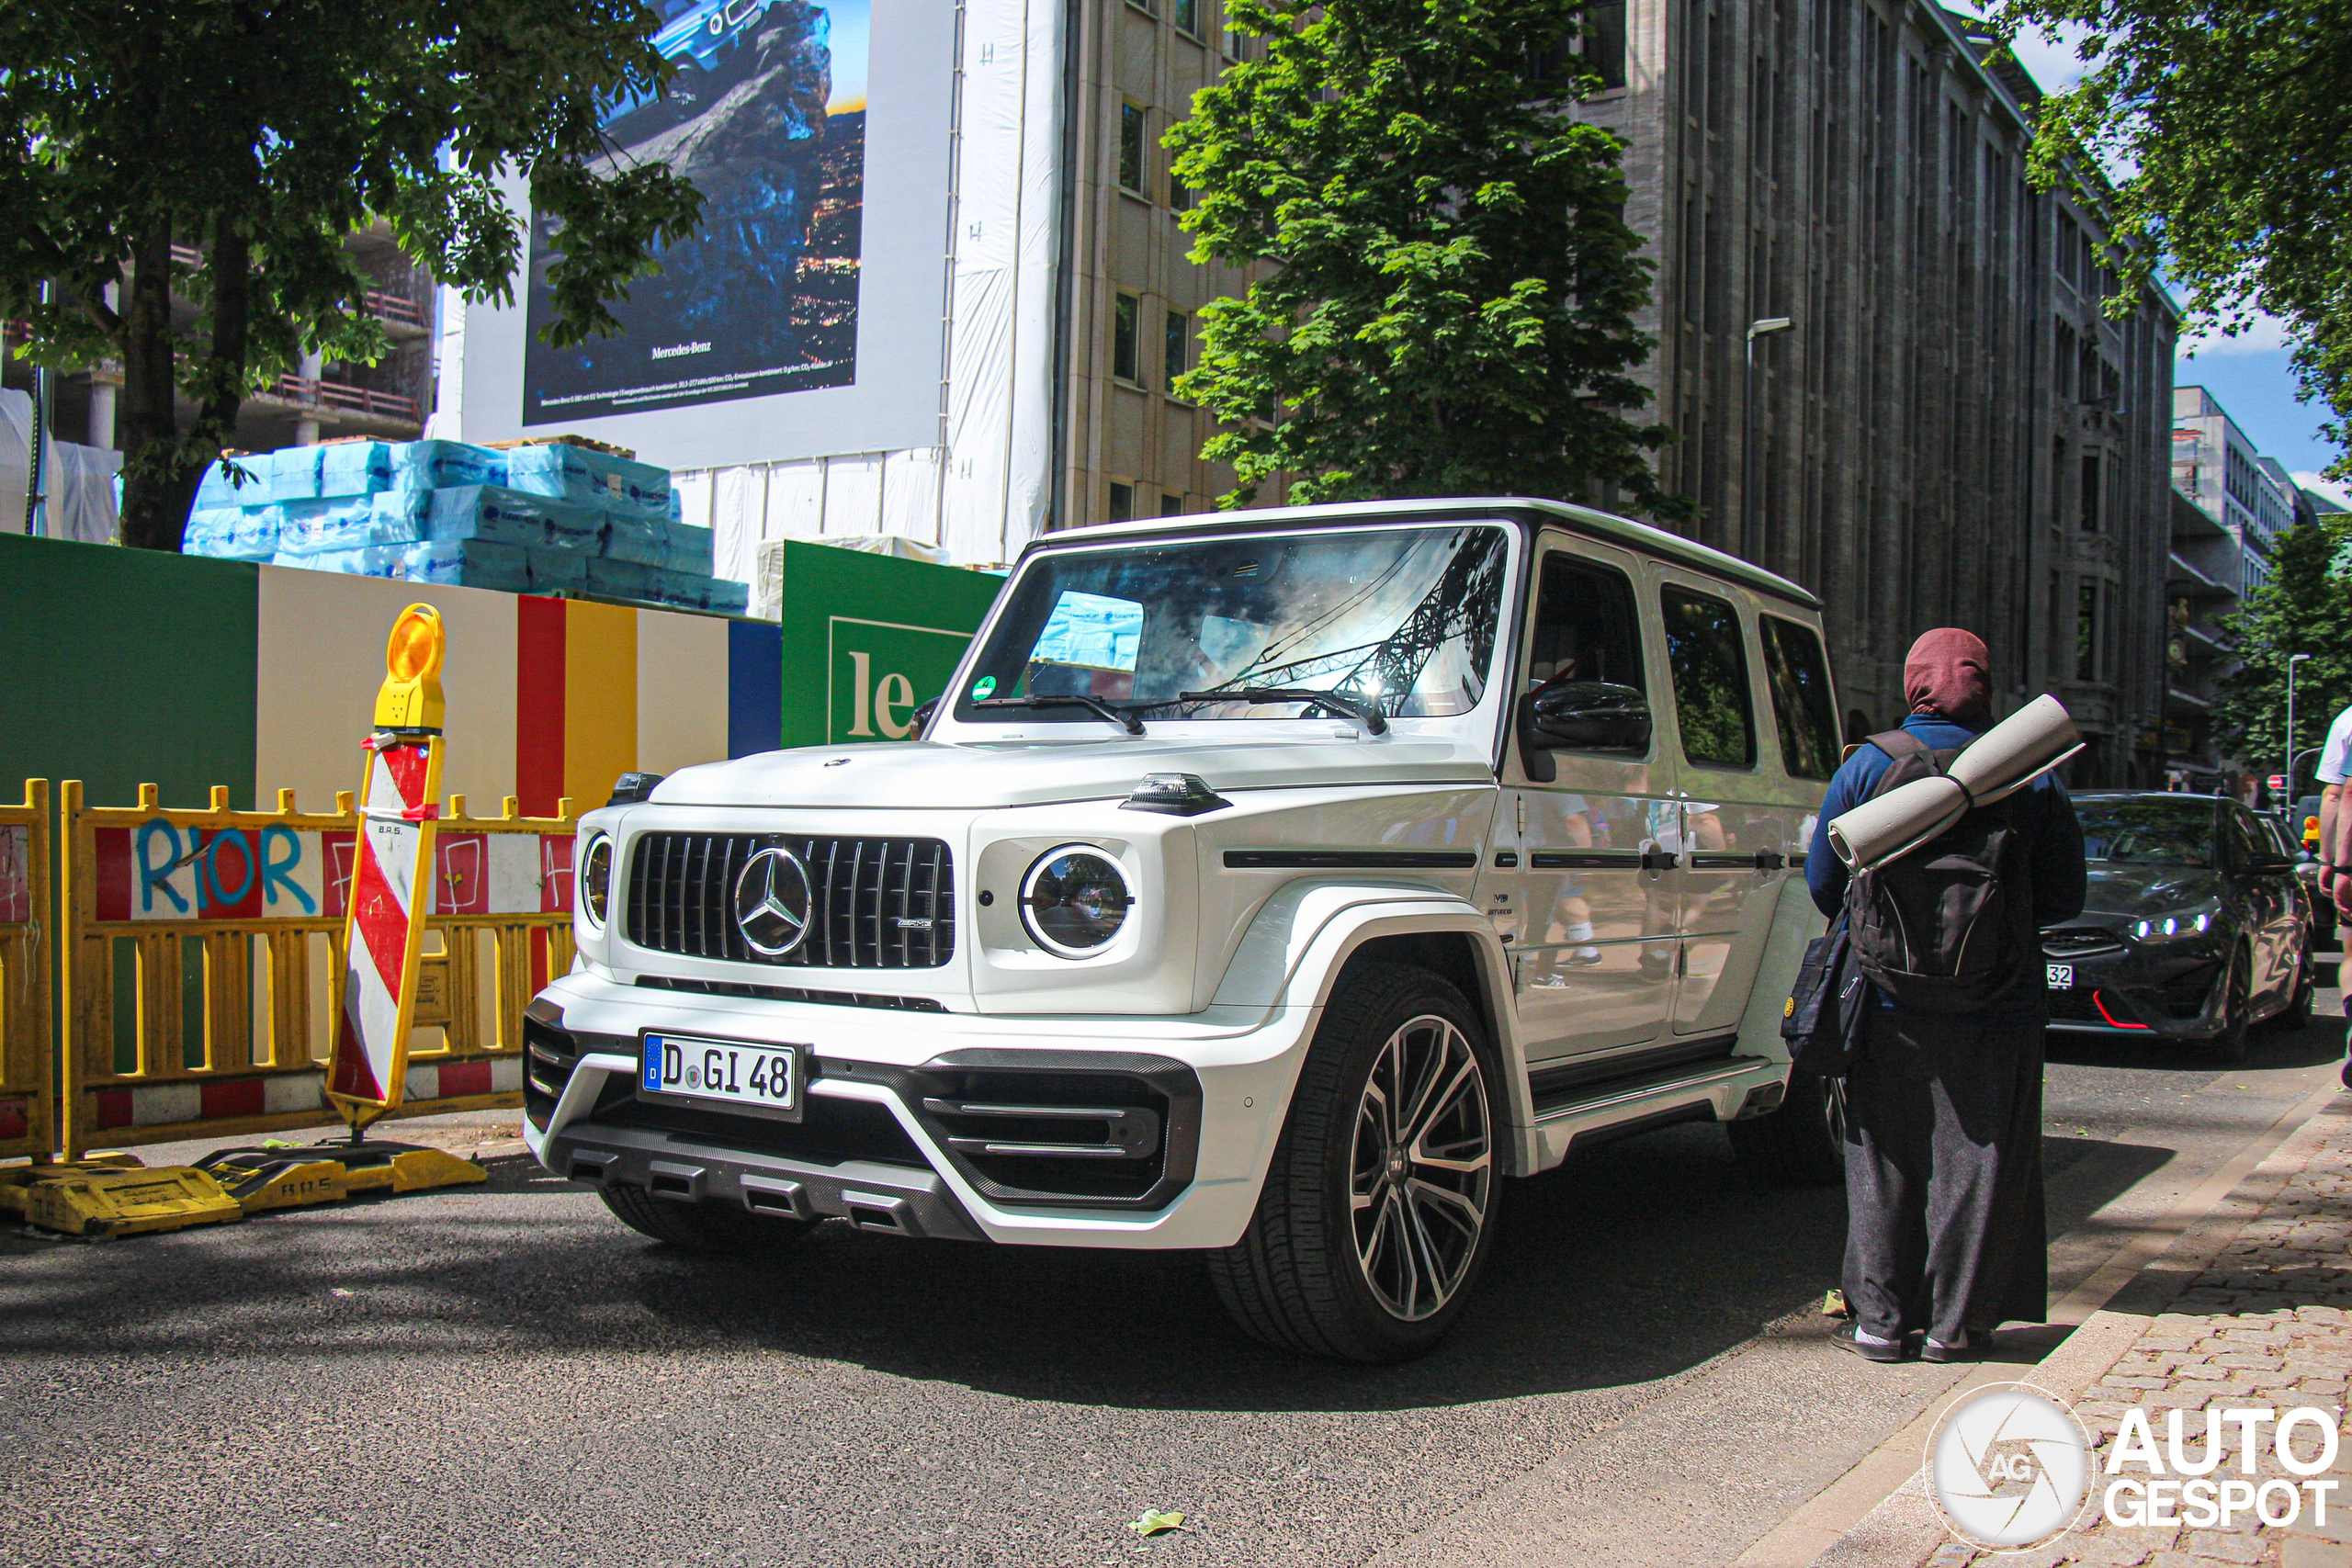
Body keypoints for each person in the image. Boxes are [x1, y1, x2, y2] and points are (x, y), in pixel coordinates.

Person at [1803, 628, 2087, 1363]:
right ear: (1986, 686)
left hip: (1886, 1002)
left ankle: (1881, 1322)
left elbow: (1825, 884)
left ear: (1912, 685)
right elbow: (2065, 895)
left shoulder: (1868, 765)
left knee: (1883, 1157)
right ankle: (1958, 1328)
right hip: (2000, 1005)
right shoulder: (2031, 771)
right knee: (1980, 1163)